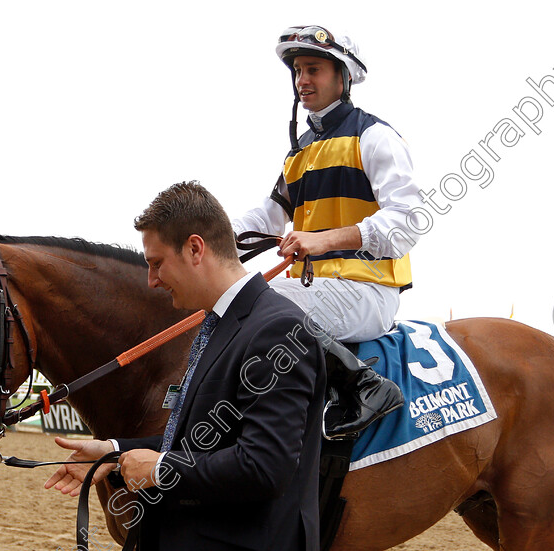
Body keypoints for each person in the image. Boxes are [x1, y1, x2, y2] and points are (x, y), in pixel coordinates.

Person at [45, 181, 326, 551]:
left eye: (156, 263)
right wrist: (113, 452)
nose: (152, 280)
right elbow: (198, 438)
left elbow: (264, 466)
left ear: (195, 248)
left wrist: (160, 470)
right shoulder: (216, 325)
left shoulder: (276, 328)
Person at [232, 25, 425, 439]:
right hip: (316, 290)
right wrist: (202, 238)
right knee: (231, 300)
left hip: (367, 290)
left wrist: (325, 239)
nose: (302, 80)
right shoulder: (300, 151)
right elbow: (266, 218)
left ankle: (365, 385)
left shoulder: (375, 137)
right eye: (298, 70)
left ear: (344, 76)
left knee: (260, 303)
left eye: (313, 69)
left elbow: (409, 221)